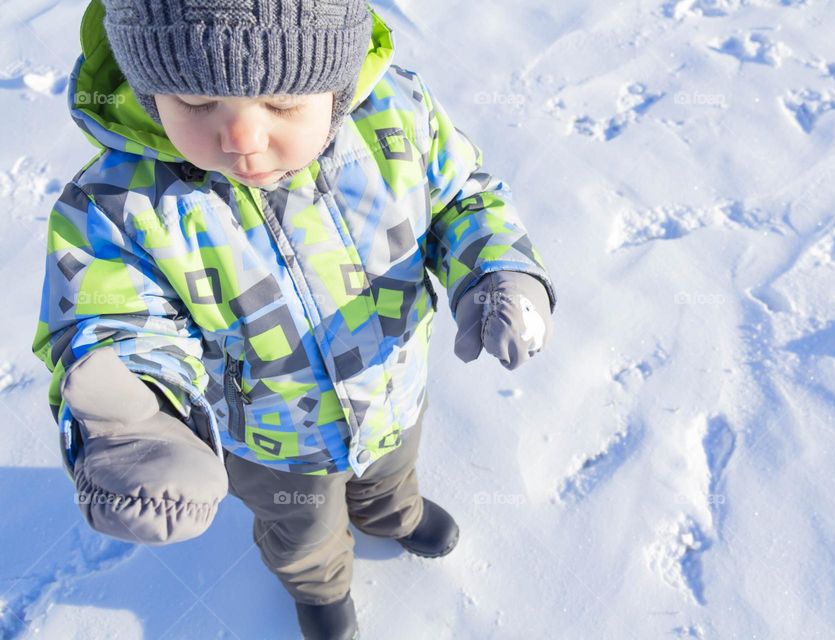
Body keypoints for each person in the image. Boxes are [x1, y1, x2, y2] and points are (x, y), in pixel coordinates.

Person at [31, 1, 557, 637]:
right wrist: (147, 423)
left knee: (390, 469)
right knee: (300, 525)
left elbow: (461, 196)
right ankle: (318, 581)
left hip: (389, 390)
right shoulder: (120, 206)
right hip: (268, 439)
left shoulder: (396, 118)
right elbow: (116, 317)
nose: (243, 140)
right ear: (148, 88)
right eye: (196, 104)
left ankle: (394, 514)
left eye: (282, 103)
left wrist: (497, 269)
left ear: (336, 84)